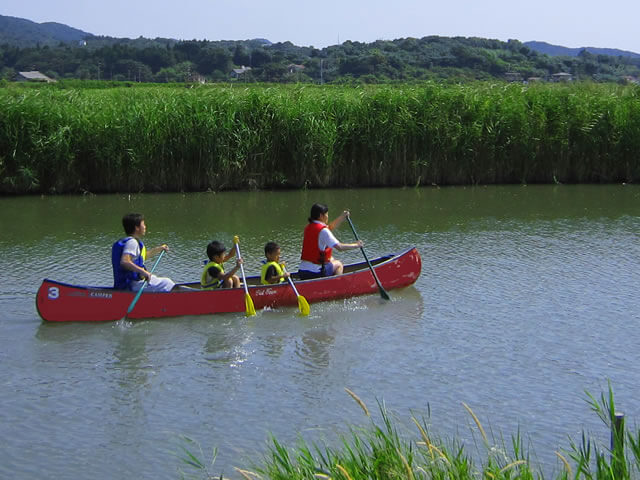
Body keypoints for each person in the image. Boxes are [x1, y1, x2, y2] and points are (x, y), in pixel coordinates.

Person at [111, 213, 175, 292]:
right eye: (143, 224)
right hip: (131, 284)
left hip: (133, 282)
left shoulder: (130, 241)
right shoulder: (132, 242)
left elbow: (144, 257)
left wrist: (159, 249)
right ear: (137, 228)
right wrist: (143, 272)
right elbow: (125, 262)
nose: (145, 227)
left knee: (158, 279)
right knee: (167, 283)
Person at [298, 203, 363, 280]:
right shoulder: (323, 231)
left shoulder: (309, 227)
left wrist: (342, 217)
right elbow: (340, 247)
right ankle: (336, 286)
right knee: (339, 265)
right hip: (315, 273)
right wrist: (356, 245)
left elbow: (330, 227)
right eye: (327, 214)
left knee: (331, 259)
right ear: (321, 216)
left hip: (302, 272)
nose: (327, 216)